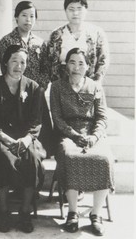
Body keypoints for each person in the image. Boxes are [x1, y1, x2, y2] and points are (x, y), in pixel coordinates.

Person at [50, 48, 114, 236]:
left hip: (92, 134)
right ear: (66, 65)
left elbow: (102, 118)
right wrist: (74, 135)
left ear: (87, 67)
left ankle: (96, 214)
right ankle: (73, 212)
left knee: (104, 158)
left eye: (81, 63)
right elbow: (57, 118)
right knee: (70, 156)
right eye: (72, 62)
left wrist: (94, 137)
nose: (76, 67)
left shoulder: (95, 87)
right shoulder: (57, 87)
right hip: (67, 133)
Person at [0, 45, 45, 234]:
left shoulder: (33, 87)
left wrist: (27, 139)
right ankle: (3, 211)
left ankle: (25, 211)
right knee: (2, 157)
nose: (19, 66)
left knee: (32, 158)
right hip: (0, 136)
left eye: (23, 62)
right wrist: (2, 136)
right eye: (14, 61)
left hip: (25, 137)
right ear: (6, 62)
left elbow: (36, 120)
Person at [45, 0, 109, 83]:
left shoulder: (97, 33)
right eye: (71, 9)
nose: (75, 13)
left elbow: (103, 61)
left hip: (89, 86)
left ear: (86, 10)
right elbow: (49, 62)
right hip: (61, 86)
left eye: (79, 9)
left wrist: (95, 84)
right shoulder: (56, 34)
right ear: (65, 10)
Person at [0, 1, 49, 89]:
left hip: (35, 91)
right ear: (16, 17)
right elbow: (5, 69)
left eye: (32, 16)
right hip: (13, 90)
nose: (28, 19)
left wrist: (38, 89)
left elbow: (46, 70)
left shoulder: (40, 43)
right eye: (24, 15)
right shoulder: (6, 41)